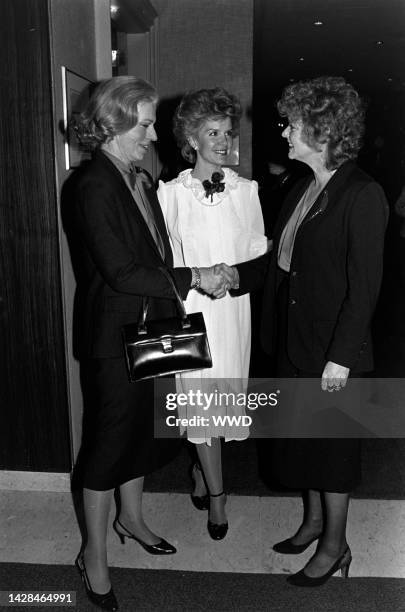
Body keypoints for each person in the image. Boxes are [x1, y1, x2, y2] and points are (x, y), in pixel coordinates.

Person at [218, 76, 388, 585]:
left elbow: (365, 289)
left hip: (331, 350)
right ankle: (313, 523)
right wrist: (232, 277)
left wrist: (340, 358)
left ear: (322, 129)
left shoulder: (362, 194)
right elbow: (278, 264)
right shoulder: (302, 186)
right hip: (293, 339)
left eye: (291, 124)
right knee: (303, 443)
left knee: (332, 452)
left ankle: (335, 546)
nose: (284, 132)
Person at [72, 76, 227, 610]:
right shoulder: (92, 185)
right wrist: (194, 278)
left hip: (155, 324)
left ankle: (131, 519)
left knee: (143, 433)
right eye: (144, 123)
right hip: (114, 335)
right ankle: (94, 555)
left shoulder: (138, 176)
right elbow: (120, 270)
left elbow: (156, 253)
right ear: (112, 124)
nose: (153, 133)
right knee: (106, 446)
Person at [158, 88, 268, 540]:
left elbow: (260, 258)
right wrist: (198, 276)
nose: (222, 141)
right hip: (192, 312)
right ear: (192, 138)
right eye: (212, 132)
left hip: (232, 313)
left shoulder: (247, 191)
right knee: (201, 407)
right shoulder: (170, 193)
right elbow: (163, 262)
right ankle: (218, 498)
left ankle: (204, 475)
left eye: (227, 132)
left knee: (222, 405)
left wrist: (232, 275)